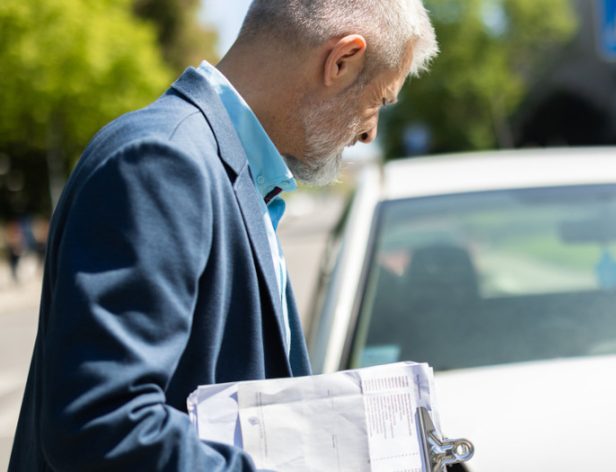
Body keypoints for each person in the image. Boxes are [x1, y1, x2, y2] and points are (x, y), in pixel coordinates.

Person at [9, 1, 438, 470]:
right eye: (379, 100)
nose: (370, 133)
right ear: (341, 61)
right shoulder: (163, 161)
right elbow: (102, 424)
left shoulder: (221, 168)